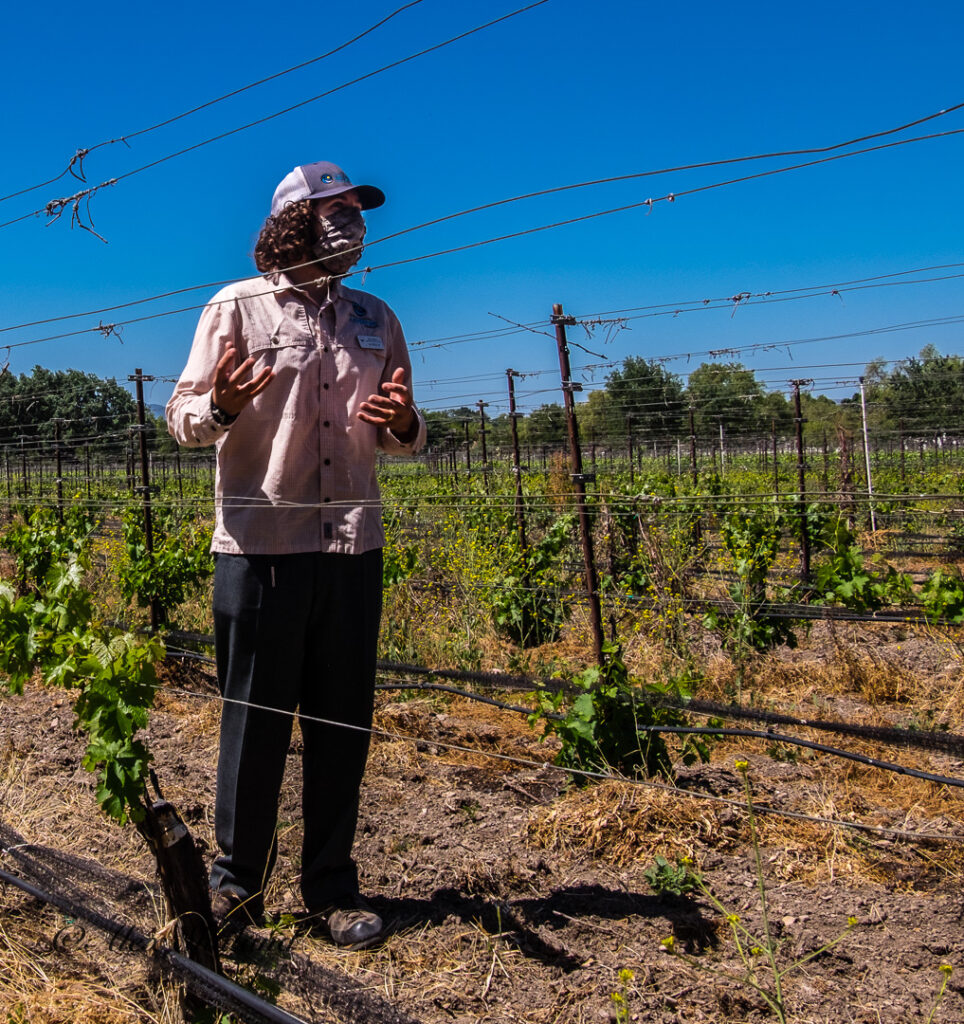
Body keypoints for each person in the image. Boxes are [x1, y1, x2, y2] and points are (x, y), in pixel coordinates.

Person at [166, 160, 425, 948]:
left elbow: (407, 436)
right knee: (255, 722)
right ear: (292, 221)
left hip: (351, 547)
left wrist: (405, 423)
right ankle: (237, 887)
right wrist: (223, 404)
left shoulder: (375, 316)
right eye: (335, 209)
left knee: (344, 723)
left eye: (357, 211)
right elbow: (180, 417)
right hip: (260, 547)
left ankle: (330, 890)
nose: (352, 222)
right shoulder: (235, 308)